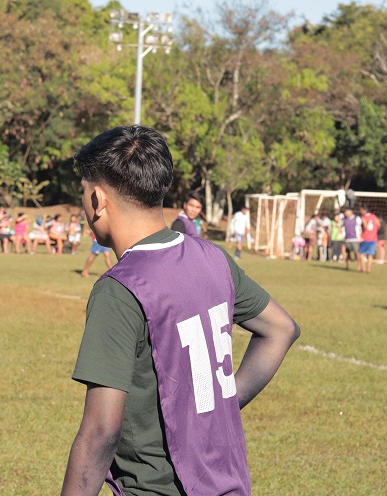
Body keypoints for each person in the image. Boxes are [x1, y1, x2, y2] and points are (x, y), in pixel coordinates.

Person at [61, 125, 300, 496]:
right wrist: (225, 400)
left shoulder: (119, 290)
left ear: (99, 199)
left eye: (84, 193)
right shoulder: (212, 258)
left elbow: (100, 433)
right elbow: (281, 328)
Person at [357, 206, 379, 273]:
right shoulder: (373, 216)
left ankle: (363, 267)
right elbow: (378, 224)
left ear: (364, 210)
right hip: (373, 238)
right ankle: (369, 268)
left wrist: (361, 234)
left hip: (365, 238)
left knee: (360, 252)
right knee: (370, 254)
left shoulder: (363, 218)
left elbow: (365, 226)